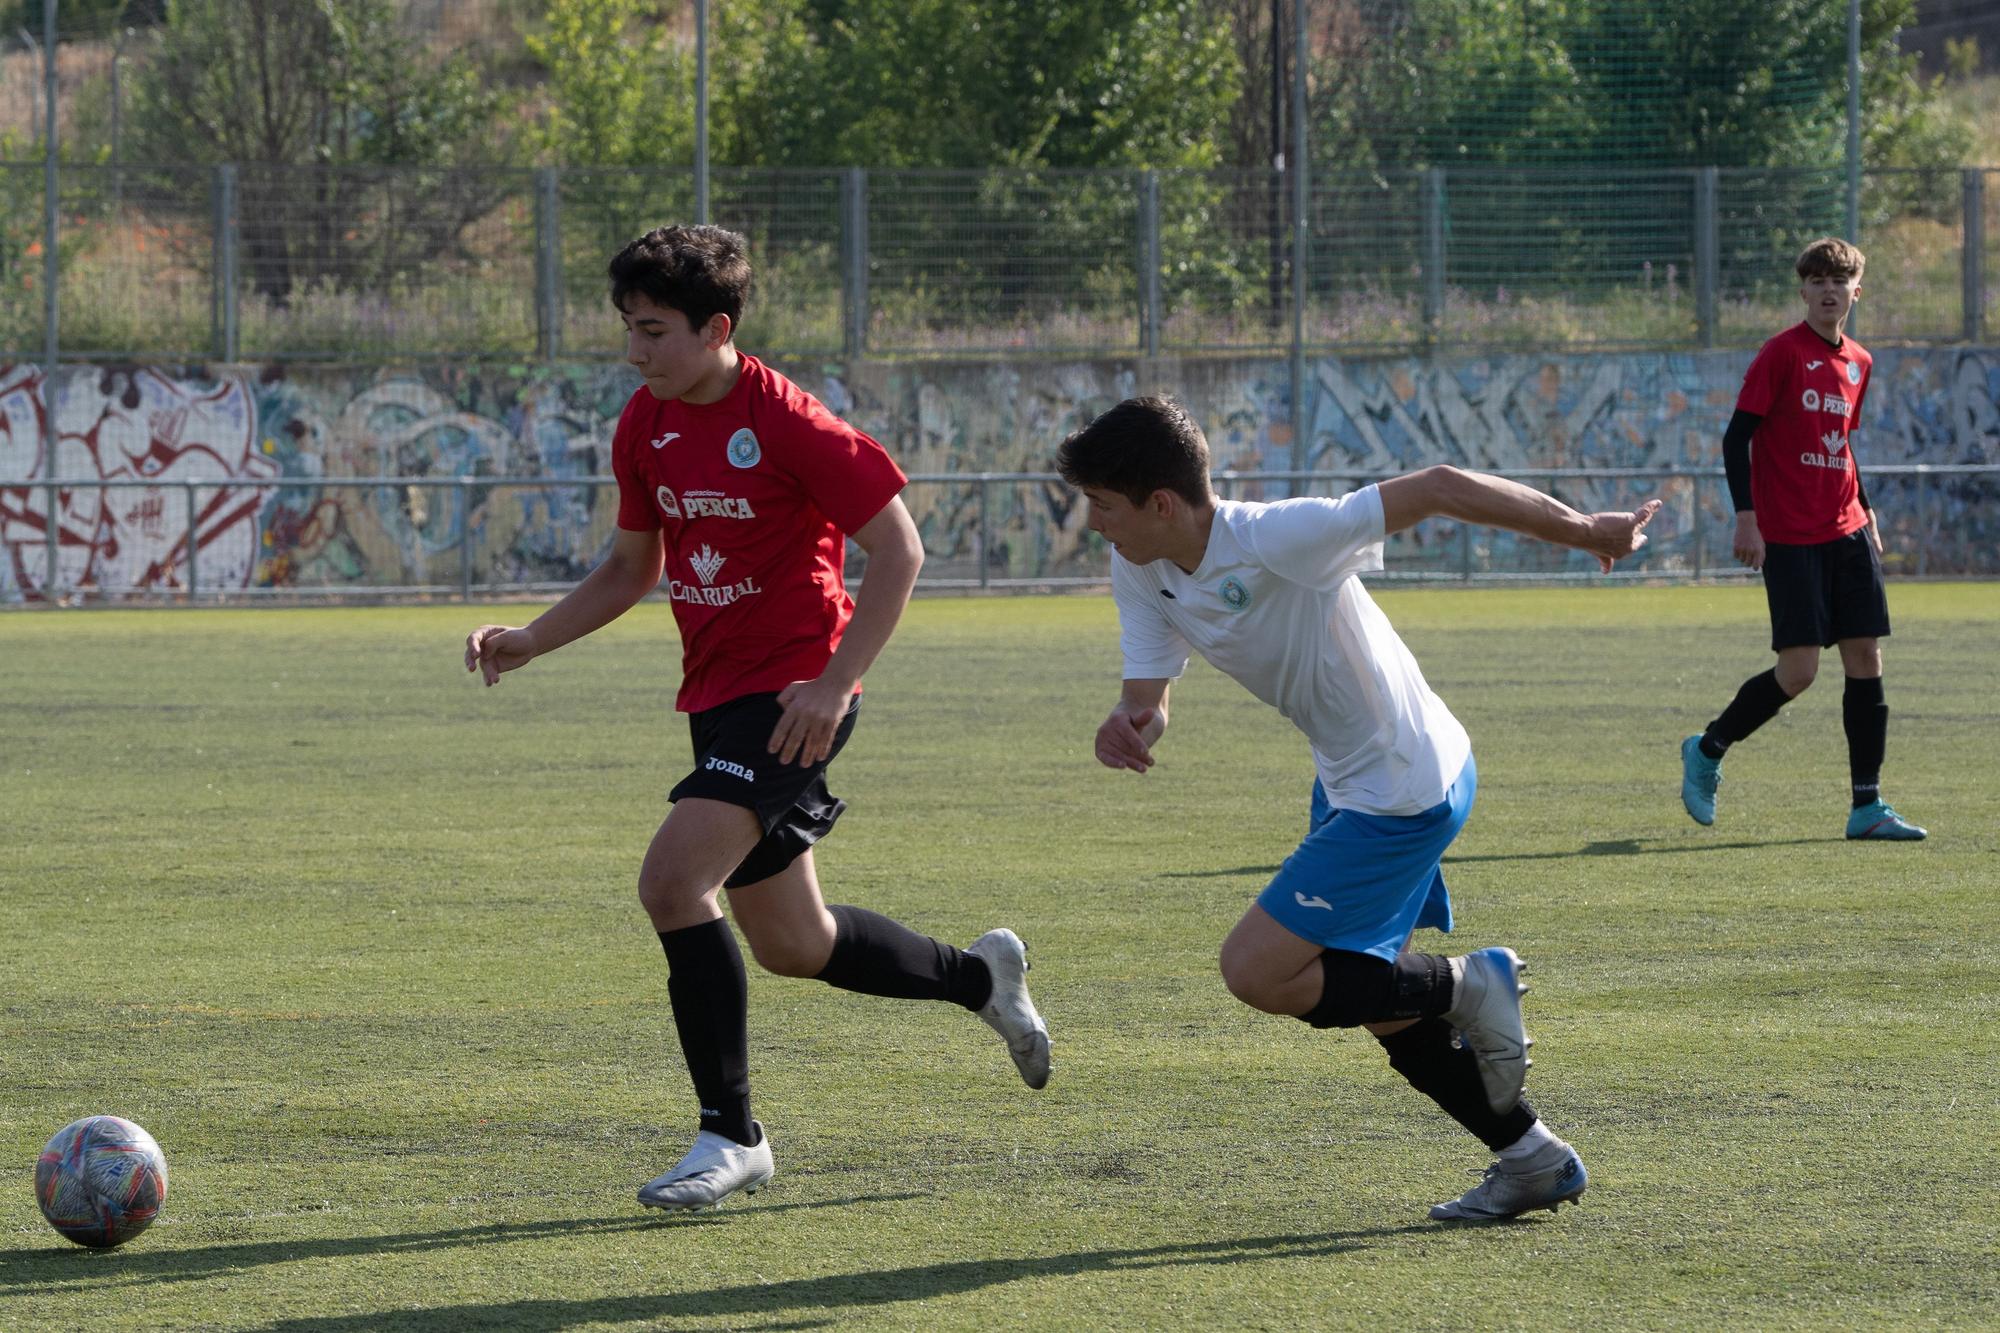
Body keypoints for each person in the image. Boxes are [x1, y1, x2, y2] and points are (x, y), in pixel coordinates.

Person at [465, 224, 1050, 1213]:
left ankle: (730, 1135)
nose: (634, 350)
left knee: (669, 881)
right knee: (793, 941)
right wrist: (534, 637)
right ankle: (977, 978)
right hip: (716, 698)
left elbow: (897, 551)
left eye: (653, 331)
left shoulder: (786, 421)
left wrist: (833, 683)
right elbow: (628, 567)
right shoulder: (642, 424)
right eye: (627, 328)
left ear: (716, 328)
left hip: (792, 701)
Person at [1057, 396, 1659, 1222]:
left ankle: (1469, 983)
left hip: (1404, 783)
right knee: (1374, 996)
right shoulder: (1141, 566)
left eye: (1103, 504)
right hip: (1353, 778)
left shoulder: (1274, 537)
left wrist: (1590, 531)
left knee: (1258, 970)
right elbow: (1149, 694)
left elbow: (1440, 484)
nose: (1093, 523)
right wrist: (1134, 724)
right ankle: (1532, 1157)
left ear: (1160, 503)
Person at [1679, 237, 1926, 841]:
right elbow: (1736, 440)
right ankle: (1709, 747)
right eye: (1816, 282)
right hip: (1788, 534)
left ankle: (1867, 807)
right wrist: (1747, 517)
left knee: (1866, 658)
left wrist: (1866, 510)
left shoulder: (1859, 362)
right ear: (1803, 291)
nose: (1827, 291)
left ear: (1855, 292)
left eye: (1838, 282)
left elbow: (1843, 446)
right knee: (1798, 672)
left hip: (1846, 529)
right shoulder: (1781, 354)